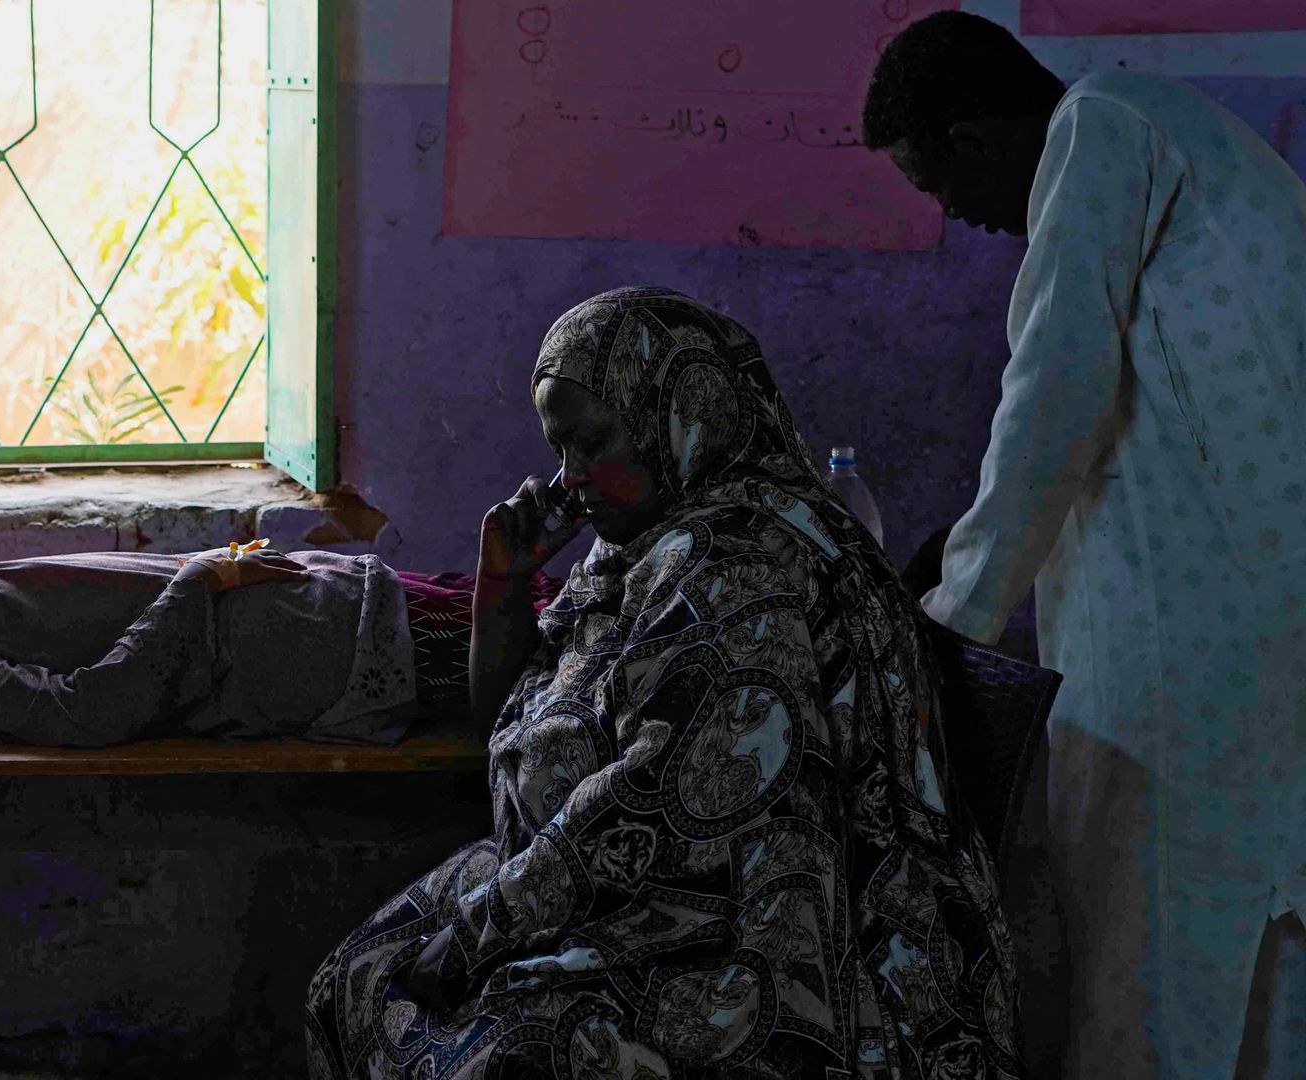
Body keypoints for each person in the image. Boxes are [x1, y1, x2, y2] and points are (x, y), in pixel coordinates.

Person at [305, 287, 1024, 1078]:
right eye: (558, 450)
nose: (569, 477)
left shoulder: (741, 569)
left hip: (781, 938)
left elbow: (654, 814)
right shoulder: (641, 550)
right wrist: (503, 585)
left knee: (499, 1046)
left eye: (591, 442)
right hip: (647, 897)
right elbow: (510, 732)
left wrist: (482, 929)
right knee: (358, 975)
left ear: (681, 412)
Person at [863, 12, 1306, 1077]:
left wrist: (946, 629)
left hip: (1190, 651)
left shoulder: (1100, 126)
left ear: (972, 137)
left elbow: (1053, 390)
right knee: (1254, 953)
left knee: (1150, 959)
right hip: (1250, 624)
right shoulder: (1191, 140)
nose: (954, 216)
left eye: (935, 184)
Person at [0, 459, 438, 746]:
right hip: (313, 654)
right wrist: (198, 584)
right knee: (530, 658)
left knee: (537, 629)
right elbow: (83, 712)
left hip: (327, 605)